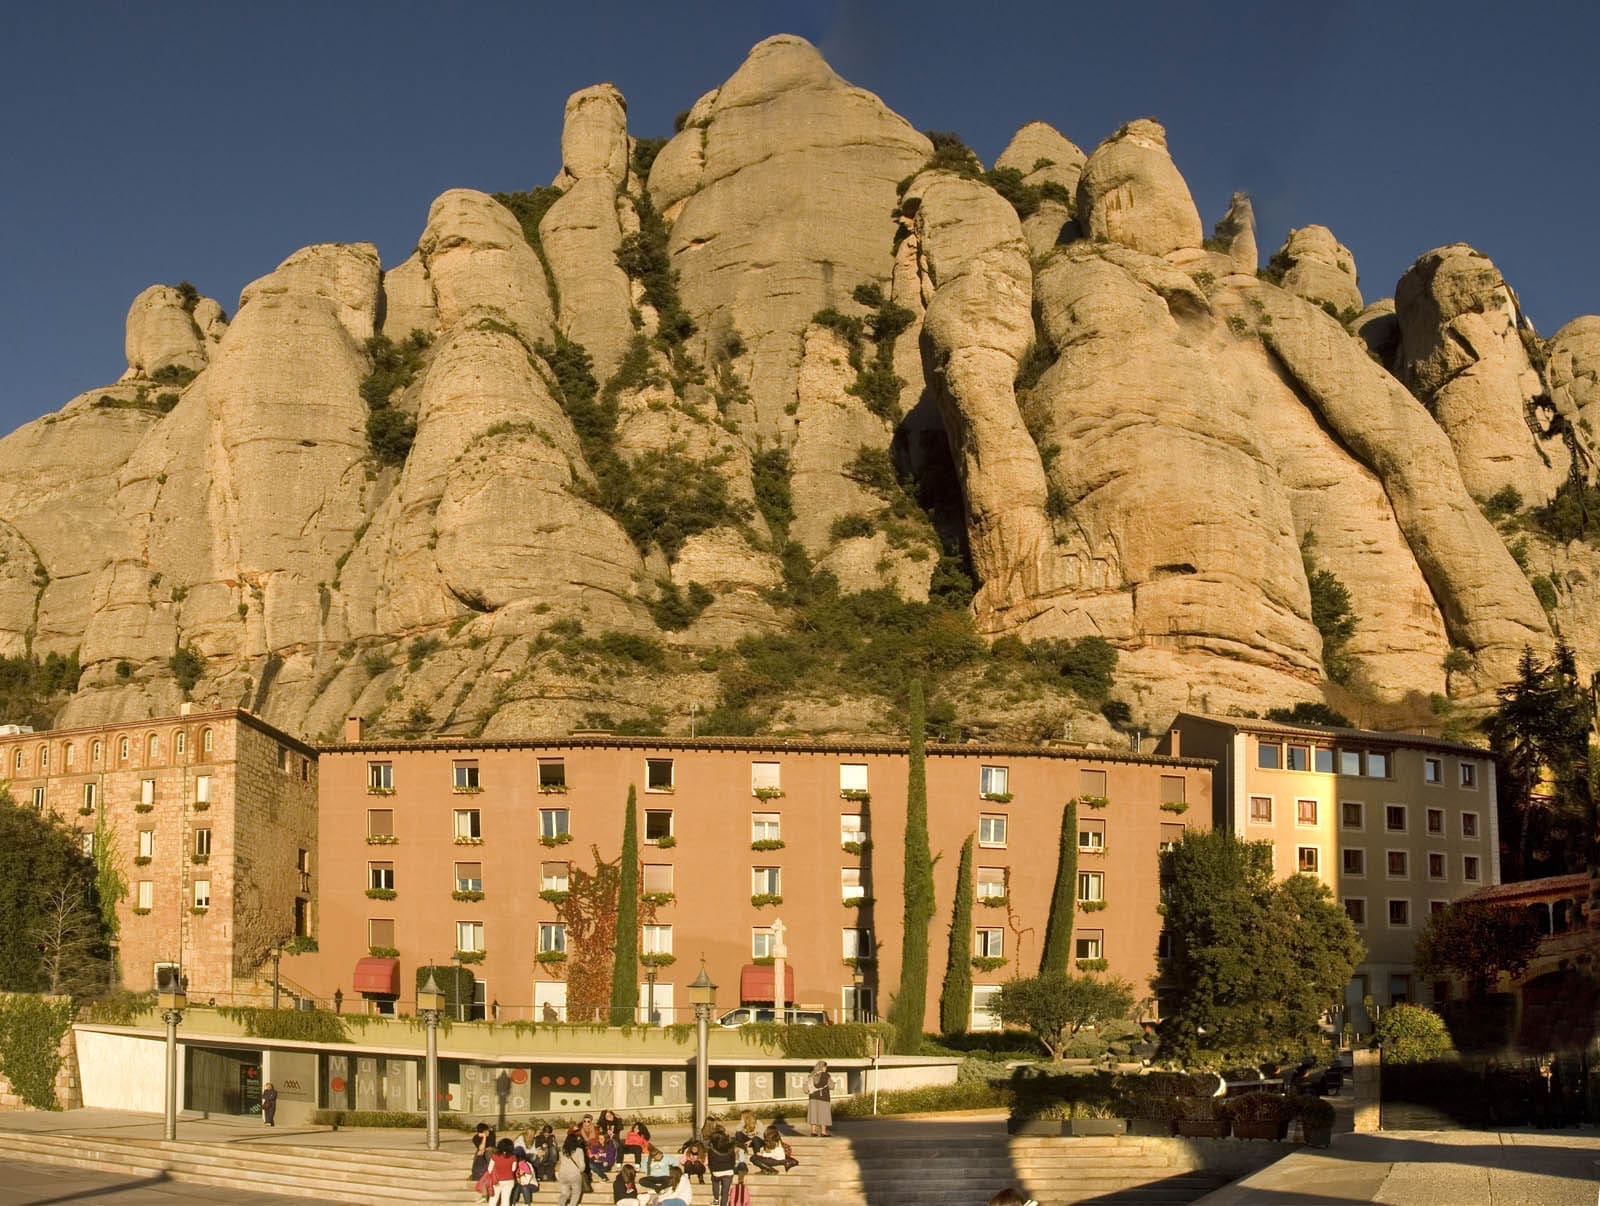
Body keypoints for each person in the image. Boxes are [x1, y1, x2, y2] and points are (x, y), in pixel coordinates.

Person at [556, 1131, 589, 1206]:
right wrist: (581, 1170)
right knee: (576, 1193)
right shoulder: (579, 1150)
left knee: (564, 1194)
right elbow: (582, 1165)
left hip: (563, 1174)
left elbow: (560, 1162)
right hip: (575, 1175)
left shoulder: (562, 1151)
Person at [706, 1130, 738, 1205]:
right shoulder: (730, 1148)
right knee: (725, 1191)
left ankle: (716, 1200)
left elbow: (710, 1162)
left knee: (715, 1182)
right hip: (729, 1171)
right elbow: (733, 1161)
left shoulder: (711, 1150)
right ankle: (723, 1204)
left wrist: (712, 1170)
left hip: (716, 1171)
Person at [484, 1137, 518, 1206]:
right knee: (505, 1199)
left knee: (493, 1198)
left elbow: (490, 1169)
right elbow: (513, 1169)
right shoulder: (513, 1157)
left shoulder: (495, 1156)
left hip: (497, 1180)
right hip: (509, 1180)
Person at [807, 1060, 833, 1137]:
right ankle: (823, 1132)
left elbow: (806, 1088)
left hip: (813, 1098)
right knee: (824, 1114)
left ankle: (813, 1131)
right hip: (823, 1098)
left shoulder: (811, 1075)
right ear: (823, 1067)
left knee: (813, 1114)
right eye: (826, 1067)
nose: (826, 1068)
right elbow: (831, 1086)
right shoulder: (826, 1075)